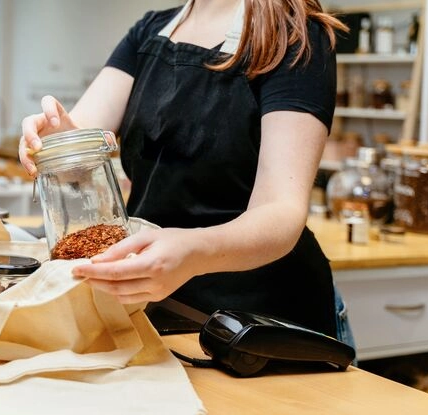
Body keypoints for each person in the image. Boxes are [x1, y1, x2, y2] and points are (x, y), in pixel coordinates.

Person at [19, 0, 354, 344]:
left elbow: (281, 210)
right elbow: (81, 147)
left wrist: (193, 252)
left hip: (261, 324)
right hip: (162, 311)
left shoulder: (294, 35)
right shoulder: (149, 32)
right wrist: (54, 141)